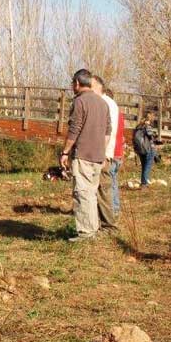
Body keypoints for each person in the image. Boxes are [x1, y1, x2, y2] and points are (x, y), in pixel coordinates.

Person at [59, 69, 111, 243]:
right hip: (98, 155)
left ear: (77, 83)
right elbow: (107, 132)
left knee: (82, 193)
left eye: (72, 84)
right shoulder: (103, 103)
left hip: (83, 154)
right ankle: (93, 228)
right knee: (92, 192)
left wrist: (65, 152)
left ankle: (86, 232)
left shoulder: (80, 102)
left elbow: (74, 129)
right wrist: (102, 152)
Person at [91, 76, 119, 233]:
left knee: (103, 190)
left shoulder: (105, 103)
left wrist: (103, 154)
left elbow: (107, 131)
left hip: (103, 154)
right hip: (104, 152)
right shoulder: (107, 103)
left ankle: (109, 226)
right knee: (101, 191)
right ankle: (103, 224)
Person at [133, 112, 160, 188]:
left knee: (144, 166)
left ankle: (143, 182)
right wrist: (155, 136)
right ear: (151, 118)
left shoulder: (138, 126)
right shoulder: (147, 126)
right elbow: (150, 135)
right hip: (148, 148)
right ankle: (144, 183)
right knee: (147, 166)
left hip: (140, 149)